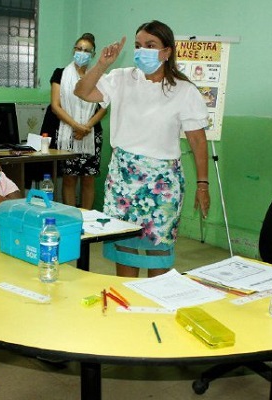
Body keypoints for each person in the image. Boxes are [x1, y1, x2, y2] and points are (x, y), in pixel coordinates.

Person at [75, 20, 210, 278]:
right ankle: (128, 303)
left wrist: (203, 184)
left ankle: (155, 301)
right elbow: (82, 91)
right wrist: (103, 63)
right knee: (124, 243)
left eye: (151, 45)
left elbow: (197, 141)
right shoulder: (121, 78)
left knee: (158, 249)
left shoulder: (184, 90)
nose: (142, 51)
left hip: (163, 182)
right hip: (123, 178)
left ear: (167, 51)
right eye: (138, 46)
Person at [38, 33, 107, 209]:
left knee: (88, 179)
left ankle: (87, 216)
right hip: (67, 132)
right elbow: (55, 105)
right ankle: (71, 214)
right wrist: (77, 126)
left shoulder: (99, 77)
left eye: (87, 51)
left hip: (91, 134)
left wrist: (87, 127)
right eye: (79, 49)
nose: (82, 53)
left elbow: (104, 106)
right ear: (73, 50)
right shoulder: (60, 74)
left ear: (92, 54)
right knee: (69, 179)